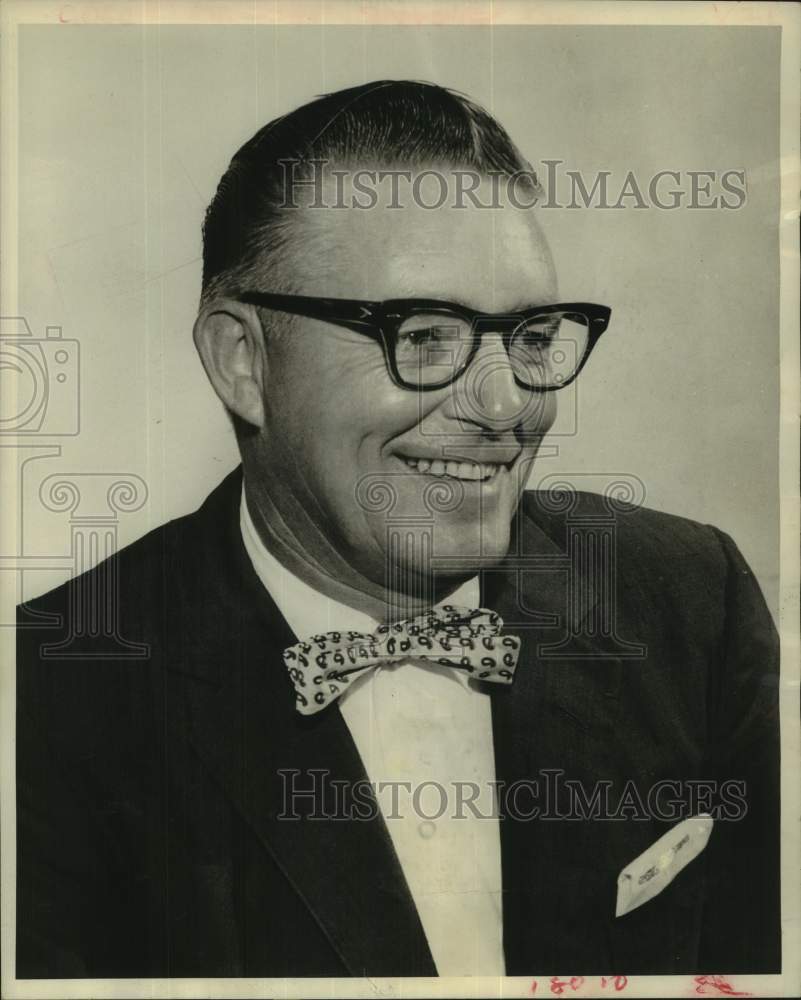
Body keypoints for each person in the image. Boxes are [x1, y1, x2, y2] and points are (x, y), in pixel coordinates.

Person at [16, 80, 780, 979]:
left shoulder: (689, 601)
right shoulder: (47, 706)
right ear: (242, 362)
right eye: (421, 335)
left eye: (532, 337)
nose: (506, 408)